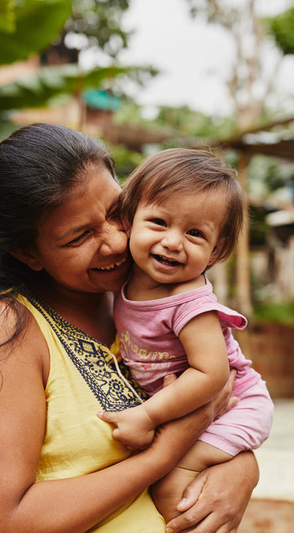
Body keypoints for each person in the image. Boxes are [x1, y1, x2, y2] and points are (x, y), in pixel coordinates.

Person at [0, 123, 259, 533]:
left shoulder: (142, 301)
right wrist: (165, 453)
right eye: (80, 236)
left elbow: (229, 402)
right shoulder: (5, 329)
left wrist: (242, 468)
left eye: (117, 213)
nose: (113, 242)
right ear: (29, 253)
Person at [98, 149, 274, 521]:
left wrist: (147, 416)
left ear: (217, 249)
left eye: (195, 233)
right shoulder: (124, 279)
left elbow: (212, 375)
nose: (173, 242)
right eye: (159, 222)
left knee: (169, 488)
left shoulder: (189, 302)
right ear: (128, 220)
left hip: (236, 406)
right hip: (196, 406)